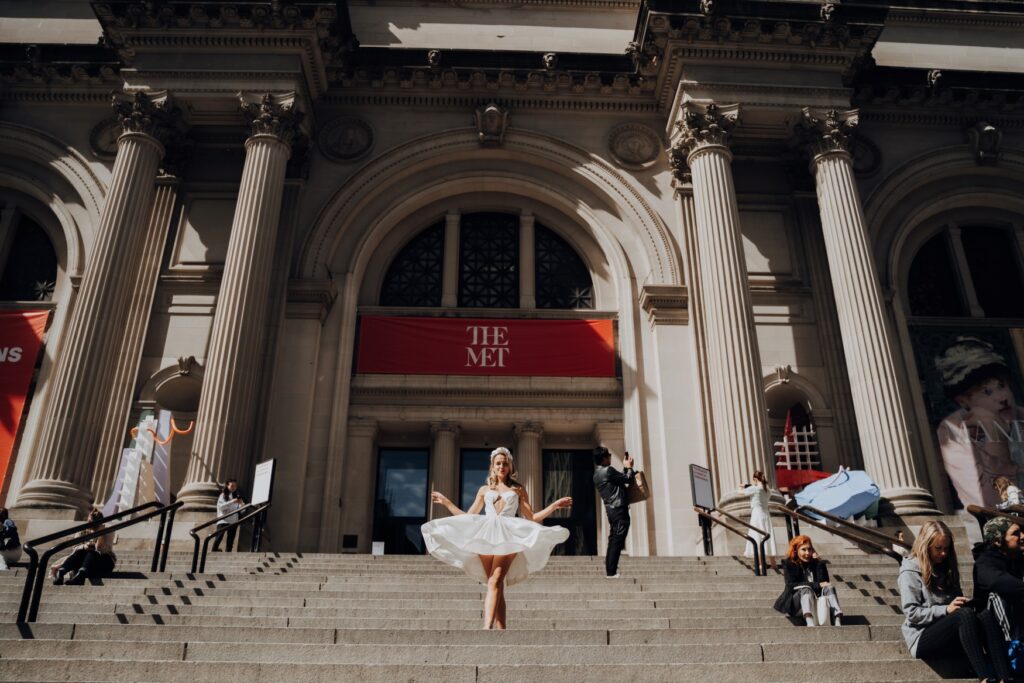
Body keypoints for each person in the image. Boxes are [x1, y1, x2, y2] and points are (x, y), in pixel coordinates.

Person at [422, 447, 572, 630]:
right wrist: (448, 503)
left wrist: (554, 505)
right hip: (485, 536)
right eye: (498, 463)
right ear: (492, 467)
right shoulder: (484, 490)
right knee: (496, 583)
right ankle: (502, 629)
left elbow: (531, 517)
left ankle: (487, 628)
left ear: (510, 466)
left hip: (509, 535)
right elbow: (469, 516)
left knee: (495, 580)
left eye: (505, 463)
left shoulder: (518, 489)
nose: (502, 466)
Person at [899, 520, 1013, 682]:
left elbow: (956, 606)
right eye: (938, 548)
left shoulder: (947, 567)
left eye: (946, 548)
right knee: (963, 615)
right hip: (921, 637)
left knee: (984, 615)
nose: (944, 554)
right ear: (925, 545)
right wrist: (946, 610)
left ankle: (1004, 677)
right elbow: (912, 613)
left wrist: (963, 603)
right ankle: (985, 678)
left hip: (950, 631)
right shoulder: (910, 570)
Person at [934, 337, 1024, 508]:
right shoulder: (952, 430)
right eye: (987, 392)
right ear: (963, 401)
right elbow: (989, 501)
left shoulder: (1021, 416)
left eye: (1002, 386)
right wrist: (994, 433)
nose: (1002, 398)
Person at [773, 535, 843, 626]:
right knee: (806, 589)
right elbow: (791, 585)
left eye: (809, 549)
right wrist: (816, 585)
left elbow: (824, 582)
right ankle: (809, 620)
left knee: (829, 587)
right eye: (804, 549)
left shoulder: (815, 563)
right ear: (795, 550)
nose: (807, 553)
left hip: (815, 602)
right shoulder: (789, 563)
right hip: (797, 605)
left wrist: (819, 562)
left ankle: (837, 617)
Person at [973, 517, 1024, 640]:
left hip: (1018, 622)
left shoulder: (1017, 558)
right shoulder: (984, 562)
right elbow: (997, 581)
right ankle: (1011, 647)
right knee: (1000, 595)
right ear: (998, 541)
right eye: (1016, 533)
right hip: (993, 631)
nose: (1022, 536)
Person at [593, 446, 635, 578]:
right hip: (618, 510)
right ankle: (611, 572)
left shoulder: (597, 474)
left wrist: (625, 470)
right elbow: (628, 479)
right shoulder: (608, 471)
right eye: (609, 455)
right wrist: (629, 466)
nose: (610, 457)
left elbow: (620, 479)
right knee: (616, 540)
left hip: (611, 510)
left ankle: (611, 571)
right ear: (604, 458)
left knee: (614, 540)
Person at [51, 509, 117, 585]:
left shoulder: (108, 530)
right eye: (90, 524)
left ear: (100, 523)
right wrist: (84, 546)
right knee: (80, 552)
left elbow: (100, 548)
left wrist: (100, 532)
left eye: (95, 525)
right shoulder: (83, 530)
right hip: (84, 562)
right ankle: (61, 573)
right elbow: (75, 547)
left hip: (104, 562)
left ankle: (80, 576)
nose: (92, 527)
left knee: (93, 552)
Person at [739, 470, 777, 570]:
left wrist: (742, 486)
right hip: (766, 514)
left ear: (755, 479)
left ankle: (761, 563)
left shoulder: (754, 488)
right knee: (767, 535)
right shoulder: (767, 490)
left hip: (757, 514)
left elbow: (740, 493)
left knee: (757, 535)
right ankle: (773, 563)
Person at [212, 478, 245, 552]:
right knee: (219, 537)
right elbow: (221, 507)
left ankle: (228, 552)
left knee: (230, 540)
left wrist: (241, 504)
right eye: (232, 486)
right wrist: (233, 501)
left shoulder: (237, 496)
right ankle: (214, 550)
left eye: (235, 486)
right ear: (227, 486)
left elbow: (242, 510)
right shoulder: (223, 495)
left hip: (233, 521)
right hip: (223, 520)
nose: (234, 488)